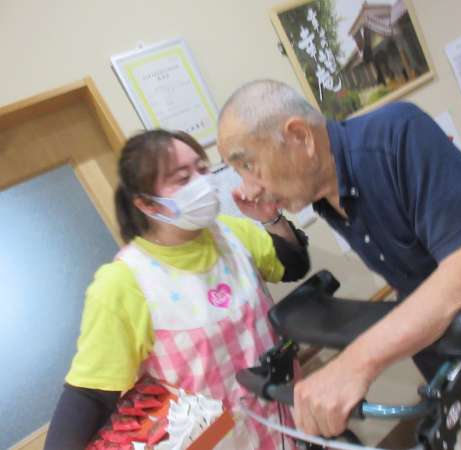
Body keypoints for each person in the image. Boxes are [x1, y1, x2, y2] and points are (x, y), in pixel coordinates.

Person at [216, 79, 461, 450]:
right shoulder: (322, 191)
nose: (248, 186)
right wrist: (271, 213)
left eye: (248, 165)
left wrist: (355, 364)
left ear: (300, 136)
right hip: (443, 329)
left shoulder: (398, 135)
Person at [44, 129, 310, 450]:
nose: (202, 183)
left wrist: (271, 217)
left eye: (202, 168)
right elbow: (90, 396)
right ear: (147, 204)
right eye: (183, 178)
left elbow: (294, 265)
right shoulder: (124, 282)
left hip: (289, 425)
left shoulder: (230, 233)